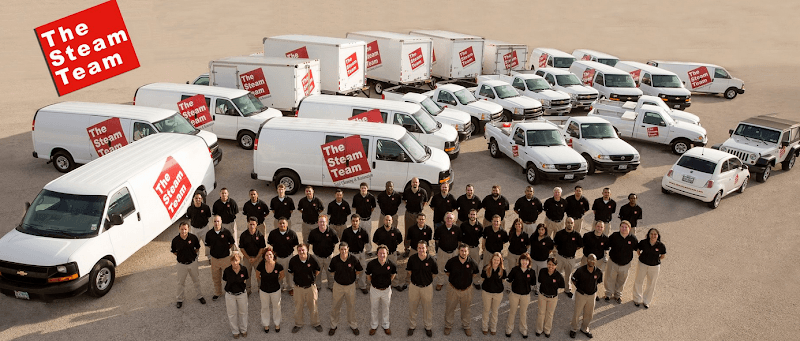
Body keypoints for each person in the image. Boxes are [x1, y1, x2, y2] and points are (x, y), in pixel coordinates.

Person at [443, 243, 479, 336]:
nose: (463, 253)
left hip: (467, 290)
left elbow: (475, 274)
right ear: (459, 251)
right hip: (453, 289)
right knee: (450, 308)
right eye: (462, 251)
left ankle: (466, 326)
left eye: (465, 251)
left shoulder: (472, 262)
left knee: (466, 309)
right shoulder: (452, 261)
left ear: (468, 252)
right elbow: (447, 272)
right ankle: (448, 325)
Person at [327, 242, 363, 335]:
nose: (343, 251)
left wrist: (352, 276)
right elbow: (331, 271)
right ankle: (333, 325)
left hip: (350, 287)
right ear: (339, 250)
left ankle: (353, 325)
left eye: (345, 249)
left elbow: (359, 270)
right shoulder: (334, 259)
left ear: (348, 249)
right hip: (338, 286)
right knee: (335, 306)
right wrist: (339, 277)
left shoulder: (353, 259)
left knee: (351, 306)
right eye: (341, 249)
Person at [288, 244, 323, 334]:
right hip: (298, 288)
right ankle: (298, 324)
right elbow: (291, 272)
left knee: (313, 306)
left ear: (307, 250)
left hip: (310, 287)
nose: (301, 252)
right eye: (299, 250)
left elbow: (317, 271)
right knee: (298, 307)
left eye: (303, 250)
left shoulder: (313, 259)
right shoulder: (293, 260)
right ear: (297, 251)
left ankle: (316, 323)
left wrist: (310, 278)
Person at [406, 240, 438, 337]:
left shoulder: (431, 260)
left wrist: (426, 280)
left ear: (426, 248)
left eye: (423, 248)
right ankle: (412, 326)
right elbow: (409, 271)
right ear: (417, 248)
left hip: (427, 288)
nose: (421, 250)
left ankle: (428, 327)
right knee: (413, 307)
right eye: (419, 248)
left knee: (427, 308)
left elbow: (435, 273)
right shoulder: (412, 259)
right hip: (414, 287)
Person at [171, 222, 205, 308]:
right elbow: (174, 251)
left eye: (185, 229)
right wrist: (182, 257)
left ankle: (200, 296)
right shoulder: (175, 240)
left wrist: (191, 255)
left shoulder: (193, 238)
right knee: (180, 283)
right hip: (181, 265)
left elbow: (197, 248)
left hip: (193, 263)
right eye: (182, 229)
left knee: (196, 280)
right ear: (179, 229)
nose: (183, 231)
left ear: (188, 229)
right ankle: (179, 299)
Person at [365, 245, 397, 335]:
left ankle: (386, 325)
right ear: (377, 254)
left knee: (386, 308)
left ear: (387, 254)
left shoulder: (391, 264)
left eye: (384, 253)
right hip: (375, 290)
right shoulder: (371, 264)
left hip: (386, 290)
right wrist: (373, 283)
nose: (382, 255)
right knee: (374, 309)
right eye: (380, 253)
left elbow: (393, 274)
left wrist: (388, 282)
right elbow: (368, 276)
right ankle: (374, 326)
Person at [604, 220, 638, 303]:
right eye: (622, 227)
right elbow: (607, 245)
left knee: (621, 280)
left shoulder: (633, 238)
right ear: (619, 227)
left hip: (625, 265)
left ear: (629, 228)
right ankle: (608, 294)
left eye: (626, 227)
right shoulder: (614, 236)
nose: (624, 229)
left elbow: (637, 248)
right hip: (613, 262)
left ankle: (618, 295)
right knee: (609, 278)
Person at [570, 254, 603, 339]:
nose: (591, 261)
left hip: (592, 296)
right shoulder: (580, 270)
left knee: (589, 314)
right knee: (577, 313)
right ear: (587, 260)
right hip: (581, 294)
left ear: (595, 261)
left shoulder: (598, 271)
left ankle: (584, 328)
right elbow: (573, 279)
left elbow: (598, 281)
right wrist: (579, 287)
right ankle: (573, 329)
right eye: (590, 259)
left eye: (593, 260)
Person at [633, 228, 666, 308]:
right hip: (642, 264)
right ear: (648, 235)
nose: (653, 236)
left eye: (655, 234)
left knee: (651, 284)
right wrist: (642, 256)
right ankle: (637, 299)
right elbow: (638, 250)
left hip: (654, 267)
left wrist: (655, 260)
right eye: (651, 234)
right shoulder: (643, 242)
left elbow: (662, 256)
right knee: (638, 281)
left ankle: (646, 301)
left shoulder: (661, 245)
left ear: (658, 235)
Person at [206, 215, 235, 301]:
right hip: (214, 259)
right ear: (213, 222)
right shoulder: (209, 234)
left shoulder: (226, 232)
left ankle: (229, 291)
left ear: (221, 221)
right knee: (216, 278)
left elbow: (231, 243)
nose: (216, 223)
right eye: (215, 221)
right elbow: (208, 245)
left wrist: (224, 249)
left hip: (225, 258)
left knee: (229, 276)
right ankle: (217, 292)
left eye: (218, 221)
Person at [505, 253, 535, 338]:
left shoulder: (531, 272)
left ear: (529, 262)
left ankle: (523, 329)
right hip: (515, 294)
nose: (524, 262)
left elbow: (533, 283)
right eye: (523, 260)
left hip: (525, 296)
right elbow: (509, 279)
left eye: (526, 260)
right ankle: (509, 329)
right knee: (512, 312)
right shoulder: (515, 270)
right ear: (520, 260)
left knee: (523, 313)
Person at [306, 214, 339, 290]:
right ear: (318, 222)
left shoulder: (332, 232)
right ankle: (318, 286)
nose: (322, 223)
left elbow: (335, 242)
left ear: (327, 222)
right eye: (320, 222)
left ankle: (331, 286)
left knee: (330, 273)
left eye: (323, 222)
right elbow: (310, 243)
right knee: (317, 273)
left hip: (329, 257)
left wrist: (331, 252)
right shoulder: (313, 232)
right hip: (317, 257)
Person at [255, 247, 284, 333]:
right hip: (264, 291)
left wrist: (275, 281)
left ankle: (277, 323)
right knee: (264, 307)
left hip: (276, 290)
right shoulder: (260, 266)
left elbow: (282, 276)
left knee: (277, 307)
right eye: (267, 255)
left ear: (273, 255)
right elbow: (257, 276)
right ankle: (266, 324)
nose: (269, 256)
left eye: (270, 255)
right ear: (264, 257)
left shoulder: (279, 266)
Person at [267, 218, 299, 295]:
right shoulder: (273, 233)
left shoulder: (292, 233)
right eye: (280, 223)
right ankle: (280, 287)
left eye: (283, 223)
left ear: (287, 224)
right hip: (277, 257)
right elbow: (271, 243)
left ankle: (290, 287)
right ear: (278, 224)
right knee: (277, 272)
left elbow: (295, 244)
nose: (282, 225)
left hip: (288, 257)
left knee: (289, 273)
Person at [372, 215, 405, 290]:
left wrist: (393, 246)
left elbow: (399, 240)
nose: (388, 221)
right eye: (386, 220)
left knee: (394, 269)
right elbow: (375, 240)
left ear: (392, 221)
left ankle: (395, 284)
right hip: (382, 255)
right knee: (381, 269)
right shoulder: (379, 231)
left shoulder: (396, 231)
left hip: (392, 254)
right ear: (384, 221)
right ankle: (382, 283)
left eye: (389, 220)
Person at [340, 214, 370, 294]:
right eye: (353, 221)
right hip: (350, 254)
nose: (355, 223)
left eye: (356, 221)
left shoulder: (363, 232)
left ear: (359, 221)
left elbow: (366, 242)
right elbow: (343, 243)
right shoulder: (346, 232)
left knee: (362, 269)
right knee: (349, 270)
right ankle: (349, 286)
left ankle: (362, 286)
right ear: (351, 221)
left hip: (361, 254)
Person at [554, 217, 583, 298]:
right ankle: (554, 288)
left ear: (574, 224)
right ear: (565, 223)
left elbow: (580, 246)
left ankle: (567, 290)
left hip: (571, 259)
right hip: (560, 257)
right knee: (557, 273)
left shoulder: (577, 235)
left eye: (571, 223)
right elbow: (555, 244)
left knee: (568, 275)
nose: (569, 224)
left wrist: (572, 249)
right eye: (568, 222)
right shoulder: (559, 234)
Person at [536, 257, 565, 337]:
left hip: (553, 298)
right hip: (542, 296)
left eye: (553, 265)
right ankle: (539, 329)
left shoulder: (559, 276)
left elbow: (561, 286)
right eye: (549, 264)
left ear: (556, 265)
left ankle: (547, 330)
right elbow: (540, 280)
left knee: (549, 314)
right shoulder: (542, 271)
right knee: (541, 313)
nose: (551, 266)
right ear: (547, 264)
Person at [222, 253, 249, 338]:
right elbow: (225, 280)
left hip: (242, 294)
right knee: (232, 314)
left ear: (240, 260)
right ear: (230, 261)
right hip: (230, 295)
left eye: (236, 260)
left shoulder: (244, 269)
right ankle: (235, 331)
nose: (235, 262)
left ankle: (244, 330)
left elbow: (245, 279)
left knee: (243, 312)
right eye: (233, 261)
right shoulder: (227, 270)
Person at [582, 221, 609, 301]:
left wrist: (605, 257)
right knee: (584, 275)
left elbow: (606, 249)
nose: (599, 228)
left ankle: (594, 293)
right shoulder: (587, 236)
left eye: (601, 227)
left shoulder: (605, 239)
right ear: (595, 226)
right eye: (598, 226)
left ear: (603, 228)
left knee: (595, 278)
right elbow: (582, 245)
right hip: (586, 259)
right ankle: (582, 290)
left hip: (598, 261)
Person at [479, 215, 508, 289]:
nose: (496, 223)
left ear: (500, 222)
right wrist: (483, 249)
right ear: (492, 221)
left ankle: (495, 283)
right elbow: (484, 239)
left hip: (497, 255)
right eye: (494, 221)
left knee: (497, 269)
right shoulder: (487, 229)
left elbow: (504, 241)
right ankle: (485, 281)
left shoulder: (503, 232)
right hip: (488, 252)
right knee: (486, 267)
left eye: (497, 221)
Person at [433, 212, 461, 291]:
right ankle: (440, 282)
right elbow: (436, 240)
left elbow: (459, 240)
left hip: (454, 252)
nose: (449, 219)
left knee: (454, 268)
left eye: (451, 218)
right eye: (447, 218)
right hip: (442, 252)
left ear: (454, 220)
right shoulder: (439, 229)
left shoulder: (457, 229)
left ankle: (454, 282)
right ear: (445, 219)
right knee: (441, 268)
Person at [239, 217, 266, 295]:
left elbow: (262, 248)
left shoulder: (260, 235)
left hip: (258, 258)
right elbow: (241, 248)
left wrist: (256, 258)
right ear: (248, 224)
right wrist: (248, 258)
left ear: (256, 224)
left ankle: (260, 289)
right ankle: (248, 290)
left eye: (253, 224)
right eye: (250, 224)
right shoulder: (243, 235)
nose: (252, 226)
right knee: (247, 275)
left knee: (259, 274)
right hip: (247, 258)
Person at [480, 252, 506, 335]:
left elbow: (503, 280)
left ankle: (493, 328)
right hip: (487, 292)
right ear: (492, 259)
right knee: (486, 310)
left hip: (498, 294)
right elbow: (483, 278)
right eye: (494, 259)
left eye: (498, 260)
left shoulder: (503, 270)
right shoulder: (485, 268)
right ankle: (484, 327)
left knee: (495, 311)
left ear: (500, 261)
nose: (496, 261)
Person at [402, 177, 428, 256]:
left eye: (416, 182)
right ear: (411, 183)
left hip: (418, 215)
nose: (415, 184)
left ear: (419, 183)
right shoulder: (407, 191)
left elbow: (425, 202)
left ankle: (418, 249)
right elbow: (404, 200)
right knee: (408, 231)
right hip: (409, 214)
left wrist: (420, 208)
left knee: (418, 231)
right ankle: (407, 248)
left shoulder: (423, 192)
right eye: (413, 182)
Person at [529, 223, 554, 296]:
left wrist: (544, 255)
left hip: (542, 261)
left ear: (545, 230)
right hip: (533, 259)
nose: (541, 231)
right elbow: (529, 244)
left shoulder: (548, 239)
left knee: (540, 275)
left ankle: (537, 289)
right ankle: (532, 286)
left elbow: (550, 249)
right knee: (533, 274)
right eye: (539, 229)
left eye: (542, 229)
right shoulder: (533, 236)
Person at [184, 193, 211, 259]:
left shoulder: (206, 207)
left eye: (199, 198)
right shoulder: (190, 209)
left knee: (208, 244)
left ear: (201, 199)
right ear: (193, 199)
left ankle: (209, 257)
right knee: (194, 244)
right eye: (196, 198)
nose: (198, 200)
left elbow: (208, 216)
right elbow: (189, 218)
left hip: (204, 228)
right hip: (194, 230)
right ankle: (195, 258)